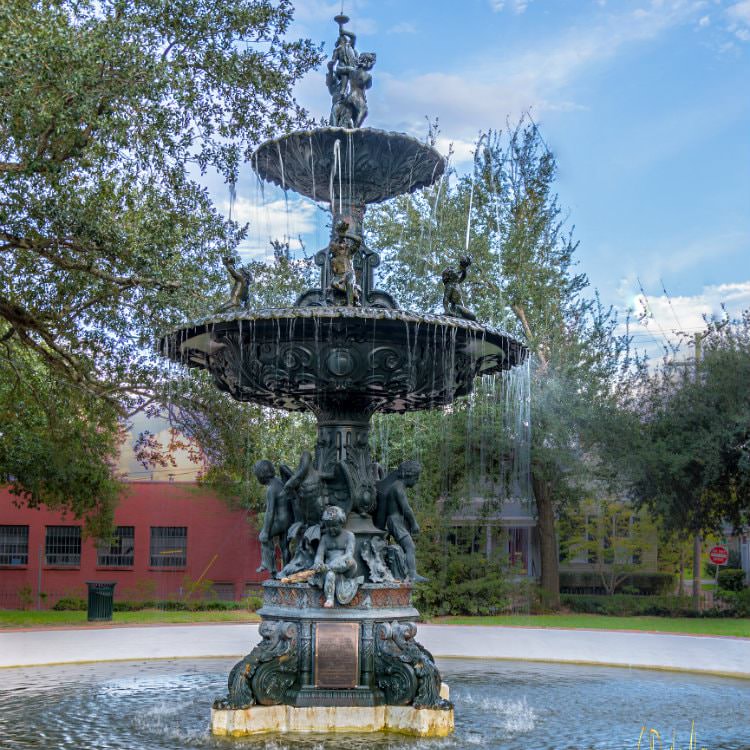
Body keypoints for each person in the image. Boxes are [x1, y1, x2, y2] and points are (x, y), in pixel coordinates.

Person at [375, 460, 427, 582]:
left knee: (406, 547)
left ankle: (404, 571)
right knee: (410, 547)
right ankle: (412, 574)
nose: (417, 480)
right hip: (395, 521)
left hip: (395, 521)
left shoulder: (397, 486)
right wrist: (414, 523)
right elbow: (406, 509)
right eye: (416, 477)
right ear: (408, 475)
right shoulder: (398, 488)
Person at [313, 505, 363, 607]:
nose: (331, 529)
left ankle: (332, 571)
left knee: (350, 561)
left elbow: (349, 554)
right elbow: (319, 555)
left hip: (346, 568)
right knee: (330, 575)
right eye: (328, 526)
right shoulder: (325, 538)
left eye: (334, 526)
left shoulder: (349, 536)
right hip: (328, 570)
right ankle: (329, 599)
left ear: (341, 523)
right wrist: (318, 563)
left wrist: (333, 564)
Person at [253, 460, 293, 575]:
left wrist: (265, 531)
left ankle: (270, 568)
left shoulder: (271, 489)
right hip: (289, 520)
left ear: (261, 474)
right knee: (284, 546)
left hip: (281, 521)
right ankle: (287, 572)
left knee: (263, 537)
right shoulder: (280, 482)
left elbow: (269, 512)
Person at [441, 256, 476, 321]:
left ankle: (458, 313)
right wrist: (446, 310)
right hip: (451, 285)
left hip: (456, 288)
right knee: (447, 297)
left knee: (459, 303)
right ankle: (448, 311)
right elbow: (446, 298)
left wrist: (463, 272)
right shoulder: (449, 284)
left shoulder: (461, 274)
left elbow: (463, 277)